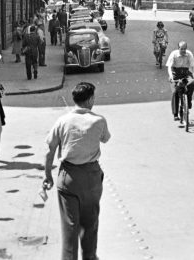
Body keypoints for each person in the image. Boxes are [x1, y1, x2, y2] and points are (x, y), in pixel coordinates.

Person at [44, 82, 111, 260]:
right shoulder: (99, 120)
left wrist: (48, 176)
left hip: (68, 178)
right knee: (90, 223)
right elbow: (105, 139)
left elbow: (49, 151)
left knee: (70, 227)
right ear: (90, 100)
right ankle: (89, 256)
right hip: (91, 178)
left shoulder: (62, 121)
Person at [165, 41, 194, 120]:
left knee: (192, 84)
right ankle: (175, 114)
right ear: (178, 48)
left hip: (186, 73)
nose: (183, 51)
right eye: (182, 49)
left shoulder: (189, 54)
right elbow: (169, 67)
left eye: (185, 49)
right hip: (175, 74)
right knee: (176, 91)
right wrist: (170, 76)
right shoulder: (174, 54)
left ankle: (188, 100)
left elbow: (193, 66)